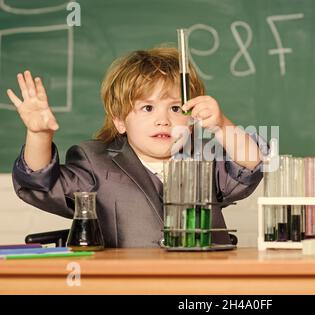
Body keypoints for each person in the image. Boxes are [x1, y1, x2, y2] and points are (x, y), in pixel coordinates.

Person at [8, 47, 267, 248]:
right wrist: (39, 134)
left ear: (190, 120)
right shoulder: (95, 162)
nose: (163, 119)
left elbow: (250, 164)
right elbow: (40, 183)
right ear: (120, 120)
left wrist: (222, 126)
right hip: (128, 286)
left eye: (176, 108)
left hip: (203, 286)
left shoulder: (204, 159)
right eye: (147, 107)